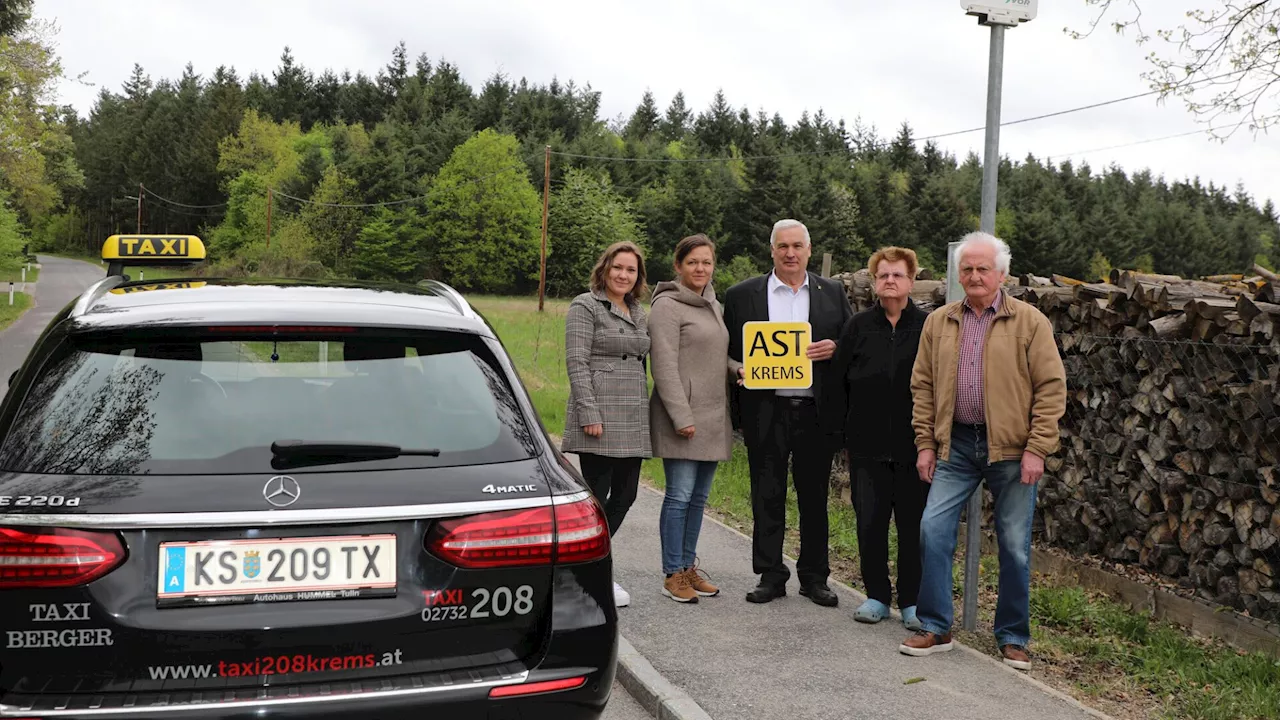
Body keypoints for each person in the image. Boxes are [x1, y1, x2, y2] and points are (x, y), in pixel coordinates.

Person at [899, 231, 1066, 671]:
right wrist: (925, 444)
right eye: (968, 269)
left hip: (1012, 451)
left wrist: (1037, 449)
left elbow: (1051, 388)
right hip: (954, 444)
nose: (974, 276)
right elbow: (923, 386)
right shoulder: (940, 322)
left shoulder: (1030, 322)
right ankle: (936, 626)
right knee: (932, 531)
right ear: (959, 273)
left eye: (983, 269)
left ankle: (1013, 637)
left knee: (1013, 545)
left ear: (1002, 274)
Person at [723, 219, 853, 606]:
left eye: (797, 246)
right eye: (783, 246)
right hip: (767, 408)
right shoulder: (743, 294)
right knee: (767, 493)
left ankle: (815, 577)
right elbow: (726, 351)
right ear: (772, 250)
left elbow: (849, 341)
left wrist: (835, 348)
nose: (791, 253)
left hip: (816, 410)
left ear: (809, 250)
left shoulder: (832, 292)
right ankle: (770, 574)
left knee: (814, 497)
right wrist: (738, 369)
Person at [823, 246, 930, 630]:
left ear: (911, 281)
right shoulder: (857, 327)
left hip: (914, 446)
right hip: (866, 445)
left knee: (912, 525)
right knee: (870, 521)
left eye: (897, 275)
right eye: (882, 275)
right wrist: (840, 434)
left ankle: (913, 601)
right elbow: (837, 383)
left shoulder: (927, 327)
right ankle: (876, 596)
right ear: (874, 281)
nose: (889, 281)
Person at [562, 240, 653, 609]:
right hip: (599, 413)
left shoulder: (637, 310)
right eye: (618, 267)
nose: (623, 275)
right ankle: (591, 574)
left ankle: (590, 566)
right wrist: (589, 413)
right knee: (597, 501)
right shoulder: (585, 305)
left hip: (632, 414)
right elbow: (576, 362)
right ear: (605, 268)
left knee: (627, 494)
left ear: (638, 277)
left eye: (631, 270)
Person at [648, 234, 733, 604]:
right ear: (678, 266)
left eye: (707, 262)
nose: (701, 268)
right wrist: (680, 416)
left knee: (699, 499)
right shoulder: (667, 306)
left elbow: (712, 356)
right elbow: (664, 365)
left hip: (715, 416)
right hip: (683, 417)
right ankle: (672, 574)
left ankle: (687, 567)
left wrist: (737, 369)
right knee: (679, 497)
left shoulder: (714, 304)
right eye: (693, 262)